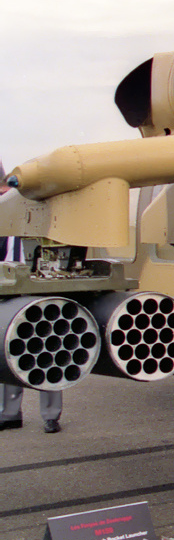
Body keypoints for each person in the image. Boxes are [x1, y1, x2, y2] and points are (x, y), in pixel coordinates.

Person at [0, 160, 62, 433]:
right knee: (8, 350)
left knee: (46, 349)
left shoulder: (35, 207)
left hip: (39, 289)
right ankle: (10, 413)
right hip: (9, 290)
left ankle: (51, 415)